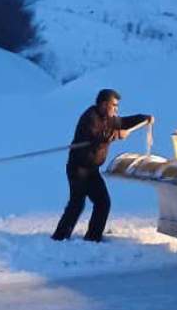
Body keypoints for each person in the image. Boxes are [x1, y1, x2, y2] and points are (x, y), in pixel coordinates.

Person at [52, 89, 154, 243]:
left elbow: (122, 122)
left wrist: (143, 118)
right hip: (78, 169)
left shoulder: (108, 118)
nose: (116, 108)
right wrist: (117, 135)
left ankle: (93, 238)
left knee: (103, 203)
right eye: (114, 105)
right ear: (104, 104)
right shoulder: (90, 117)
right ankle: (59, 238)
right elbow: (97, 137)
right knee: (77, 204)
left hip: (91, 170)